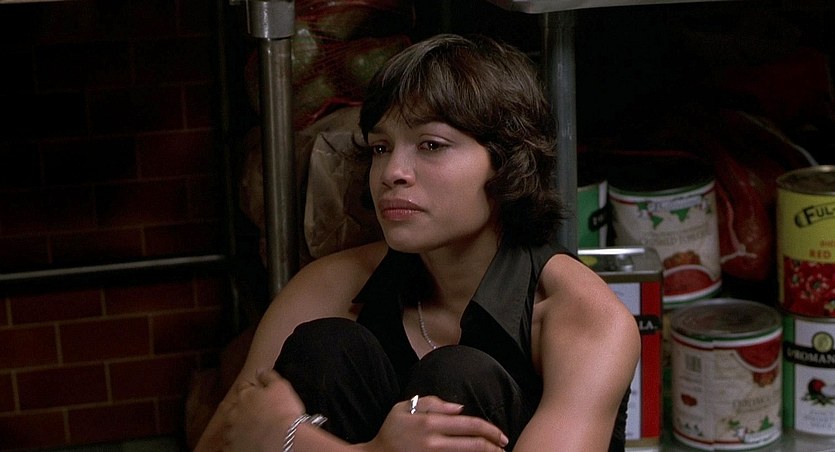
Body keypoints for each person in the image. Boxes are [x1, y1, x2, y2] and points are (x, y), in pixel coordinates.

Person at [196, 33, 640, 452]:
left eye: (431, 145)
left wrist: (302, 443)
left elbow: (267, 437)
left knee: (458, 377)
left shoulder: (584, 316)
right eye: (381, 148)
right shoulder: (332, 286)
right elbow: (225, 437)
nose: (393, 173)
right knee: (326, 349)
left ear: (506, 162)